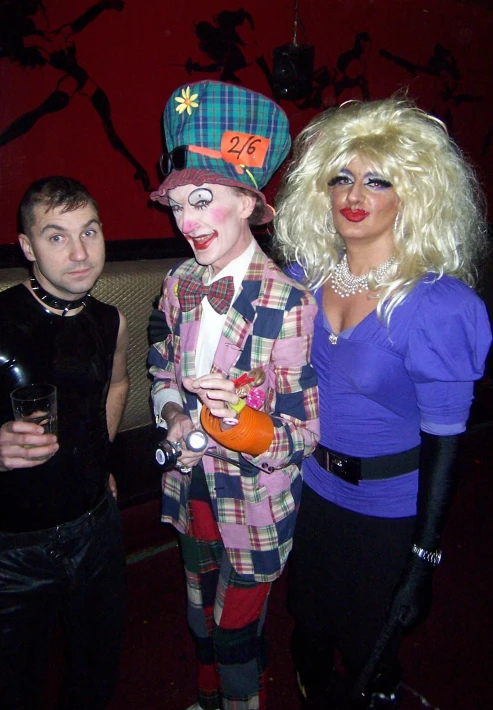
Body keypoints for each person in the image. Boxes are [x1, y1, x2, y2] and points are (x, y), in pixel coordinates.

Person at [273, 98, 493, 709]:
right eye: (340, 177)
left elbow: (447, 442)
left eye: (378, 180)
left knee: (371, 651)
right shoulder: (304, 278)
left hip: (390, 511)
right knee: (309, 636)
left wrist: (424, 555)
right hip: (314, 490)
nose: (354, 193)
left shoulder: (438, 305)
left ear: (414, 195)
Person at [147, 80, 320, 710]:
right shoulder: (177, 283)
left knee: (236, 629)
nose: (187, 222)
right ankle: (208, 697)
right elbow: (161, 366)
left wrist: (240, 425)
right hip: (190, 486)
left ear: (248, 201)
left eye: (202, 201)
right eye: (177, 206)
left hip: (252, 502)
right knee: (199, 616)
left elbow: (303, 432)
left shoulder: (290, 302)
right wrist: (170, 411)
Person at [0, 176, 129, 709]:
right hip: (7, 553)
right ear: (27, 247)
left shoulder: (111, 321)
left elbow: (116, 384)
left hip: (97, 531)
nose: (81, 252)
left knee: (97, 671)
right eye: (57, 236)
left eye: (89, 231)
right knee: (6, 689)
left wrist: (99, 458)